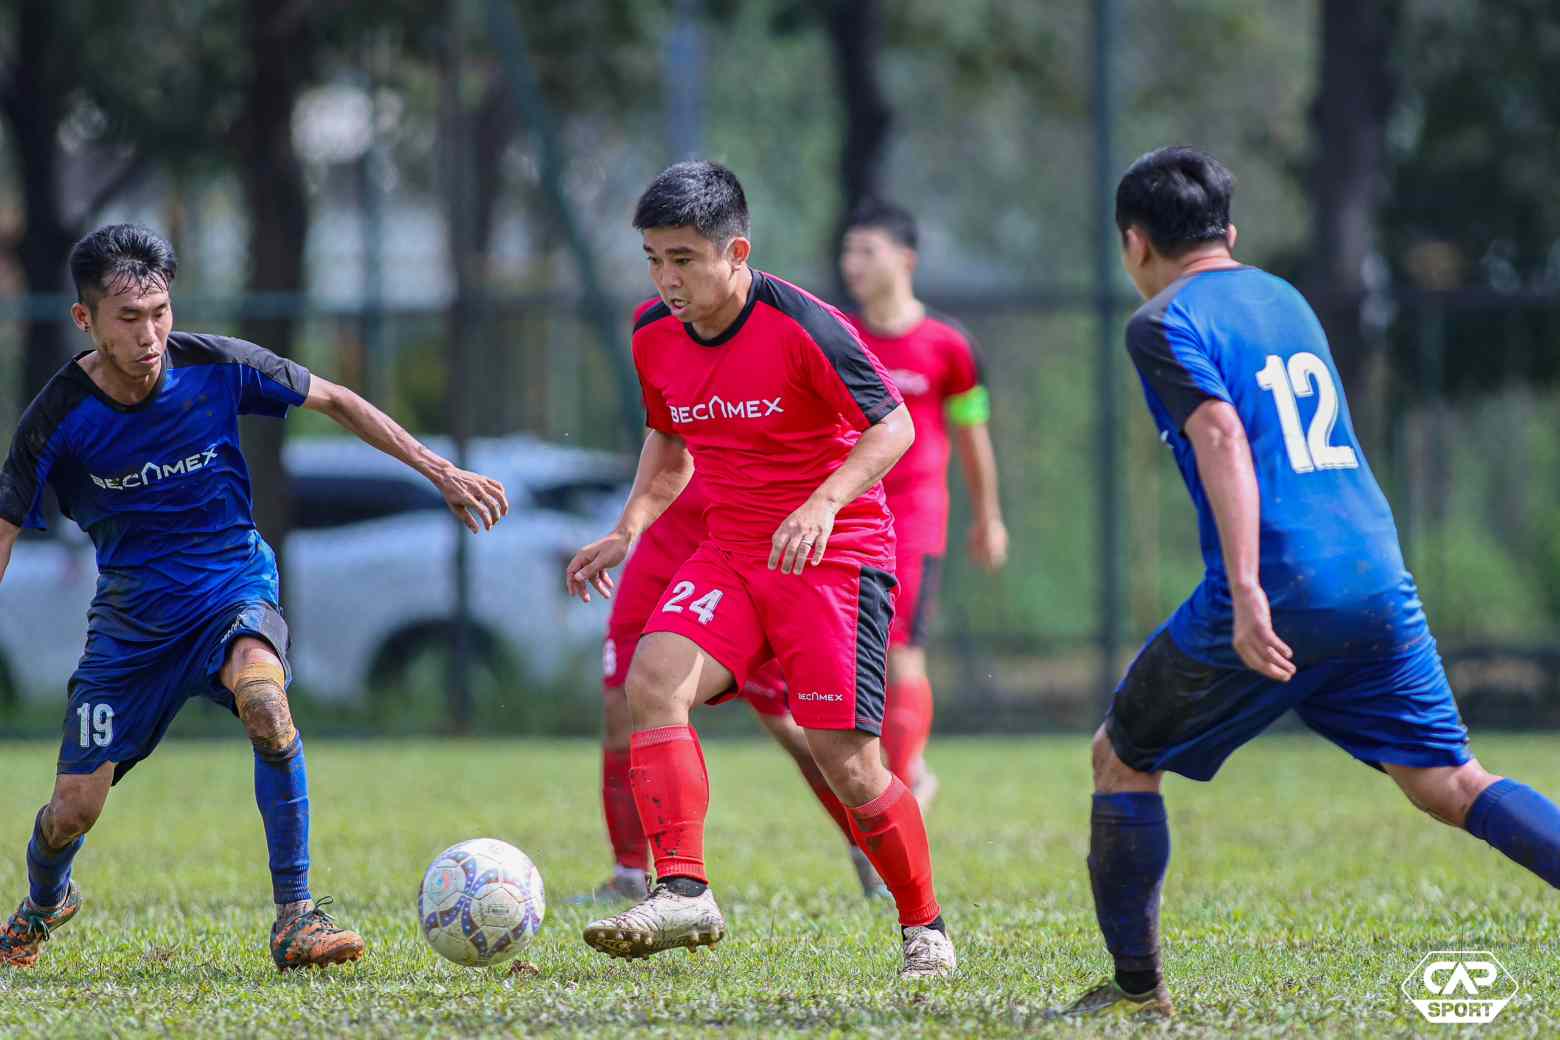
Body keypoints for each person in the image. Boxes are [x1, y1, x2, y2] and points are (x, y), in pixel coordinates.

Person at [1053, 147, 1560, 1018]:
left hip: (1281, 580)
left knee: (1122, 758)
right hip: (1374, 571)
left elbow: (1222, 436)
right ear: (1229, 230)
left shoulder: (1161, 320)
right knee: (1451, 782)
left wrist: (1247, 588)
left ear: (1135, 242)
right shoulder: (1284, 298)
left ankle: (1138, 995)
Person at [0, 224, 509, 971]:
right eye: (128, 318)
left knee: (266, 704)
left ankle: (296, 916)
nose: (150, 335)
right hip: (131, 627)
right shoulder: (57, 415)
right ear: (85, 319)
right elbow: (6, 527)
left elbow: (336, 398)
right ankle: (45, 901)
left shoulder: (217, 365)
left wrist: (441, 470)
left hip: (232, 587)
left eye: (160, 312)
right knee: (73, 811)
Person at [565, 161, 955, 979]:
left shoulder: (806, 326)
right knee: (652, 679)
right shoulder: (653, 333)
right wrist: (628, 528)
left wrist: (824, 503)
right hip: (733, 552)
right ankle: (683, 890)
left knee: (849, 764)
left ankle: (925, 927)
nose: (666, 279)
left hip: (834, 557)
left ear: (735, 252)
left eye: (683, 259)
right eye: (653, 260)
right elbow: (670, 441)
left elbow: (893, 428)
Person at [572, 469, 887, 906]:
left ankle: (872, 855)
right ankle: (630, 874)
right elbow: (667, 444)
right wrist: (627, 528)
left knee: (803, 732)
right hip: (663, 550)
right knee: (622, 704)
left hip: (742, 553)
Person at [840, 201, 1009, 805]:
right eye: (848, 251)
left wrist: (988, 517)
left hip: (913, 520)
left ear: (906, 260)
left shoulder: (949, 347)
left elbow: (972, 436)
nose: (852, 264)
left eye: (867, 251)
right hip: (843, 516)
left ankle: (906, 779)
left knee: (901, 649)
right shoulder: (838, 338)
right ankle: (889, 775)